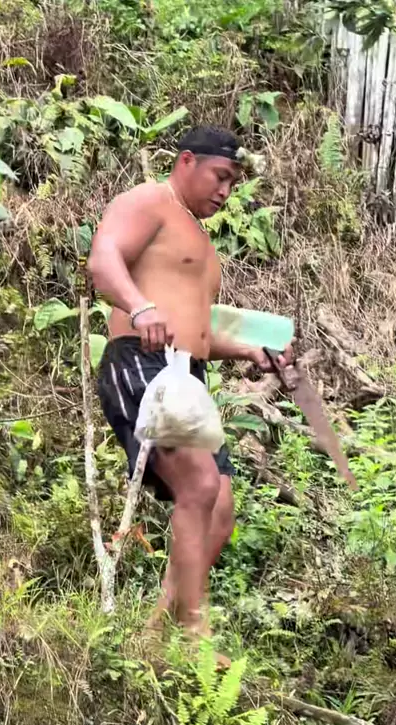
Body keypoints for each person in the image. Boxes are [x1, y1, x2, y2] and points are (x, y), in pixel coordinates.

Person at [88, 125, 292, 649]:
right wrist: (140, 307)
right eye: (220, 176)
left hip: (187, 375)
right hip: (141, 360)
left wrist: (249, 350)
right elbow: (103, 259)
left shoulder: (201, 243)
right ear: (186, 161)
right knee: (199, 486)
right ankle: (194, 628)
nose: (225, 191)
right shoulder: (150, 201)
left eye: (233, 183)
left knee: (219, 511)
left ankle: (157, 636)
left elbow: (196, 331)